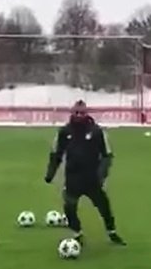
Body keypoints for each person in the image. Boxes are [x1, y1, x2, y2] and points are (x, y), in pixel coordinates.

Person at [45, 100, 126, 246]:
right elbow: (56, 154)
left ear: (86, 113)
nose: (78, 115)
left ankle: (111, 231)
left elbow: (107, 155)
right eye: (76, 113)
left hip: (92, 179)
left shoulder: (97, 132)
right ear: (71, 113)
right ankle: (77, 233)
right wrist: (50, 174)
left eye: (81, 113)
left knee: (103, 206)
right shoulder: (64, 132)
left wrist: (101, 175)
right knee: (69, 207)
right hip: (72, 178)